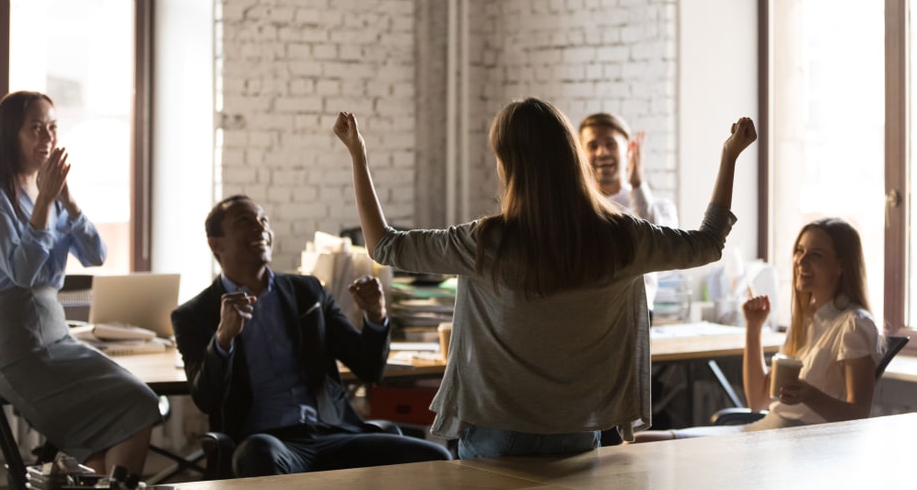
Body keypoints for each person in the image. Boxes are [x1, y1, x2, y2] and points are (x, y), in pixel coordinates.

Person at [333, 97, 756, 459]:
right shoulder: (623, 237)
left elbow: (383, 246)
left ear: (510, 165)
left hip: (497, 432)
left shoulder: (486, 241)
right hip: (578, 430)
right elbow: (708, 243)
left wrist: (358, 155)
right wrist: (729, 157)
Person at [171, 195, 451, 477]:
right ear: (215, 244)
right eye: (245, 221)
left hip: (332, 432)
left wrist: (376, 317)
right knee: (259, 453)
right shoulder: (194, 315)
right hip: (269, 440)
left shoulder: (307, 291)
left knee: (436, 458)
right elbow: (206, 399)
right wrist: (223, 339)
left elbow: (369, 368)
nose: (260, 229)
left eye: (263, 220)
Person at [0, 91, 159, 475]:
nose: (48, 138)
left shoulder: (55, 198)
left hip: (55, 332)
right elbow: (22, 272)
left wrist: (69, 203)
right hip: (13, 340)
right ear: (12, 135)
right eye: (36, 129)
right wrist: (44, 202)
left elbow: (96, 255)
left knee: (137, 405)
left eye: (53, 128)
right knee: (135, 405)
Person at [635, 217, 884, 441]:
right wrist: (754, 328)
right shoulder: (807, 320)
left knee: (643, 448)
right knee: (635, 443)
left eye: (815, 255)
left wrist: (809, 395)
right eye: (799, 251)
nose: (801, 260)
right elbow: (758, 400)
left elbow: (859, 415)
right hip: (766, 434)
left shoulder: (854, 324)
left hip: (797, 447)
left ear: (842, 265)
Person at [578, 112, 678, 313]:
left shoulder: (658, 207)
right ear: (581, 154)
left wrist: (637, 184)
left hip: (635, 314)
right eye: (593, 146)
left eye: (610, 144)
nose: (602, 152)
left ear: (628, 149)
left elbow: (662, 248)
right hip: (586, 316)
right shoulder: (575, 208)